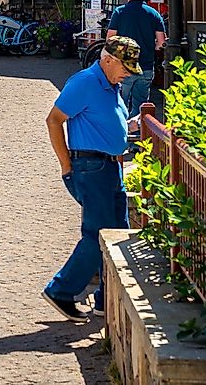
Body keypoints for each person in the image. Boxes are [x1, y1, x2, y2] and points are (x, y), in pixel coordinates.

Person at [41, 36, 138, 323]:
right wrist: (66, 166)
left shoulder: (111, 85)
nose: (129, 73)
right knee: (97, 235)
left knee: (118, 233)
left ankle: (104, 300)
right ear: (108, 59)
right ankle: (61, 290)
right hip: (91, 167)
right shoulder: (85, 82)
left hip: (109, 167)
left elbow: (109, 121)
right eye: (126, 66)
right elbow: (54, 119)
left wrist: (129, 126)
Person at [106, 0, 167, 121]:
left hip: (123, 67)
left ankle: (121, 134)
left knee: (120, 103)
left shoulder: (119, 12)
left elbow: (110, 39)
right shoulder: (154, 14)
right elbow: (162, 42)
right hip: (145, 66)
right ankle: (138, 135)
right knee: (140, 106)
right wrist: (154, 47)